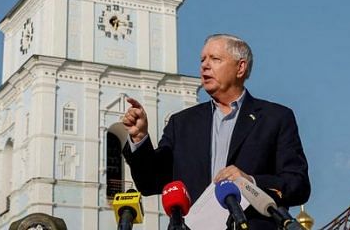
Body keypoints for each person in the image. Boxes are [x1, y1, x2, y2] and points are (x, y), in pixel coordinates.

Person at [122, 34, 310, 229]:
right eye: (202, 59)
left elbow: (298, 185)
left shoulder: (275, 118)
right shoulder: (182, 123)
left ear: (240, 67)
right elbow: (150, 182)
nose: (204, 65)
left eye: (215, 59)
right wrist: (139, 137)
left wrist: (250, 181)